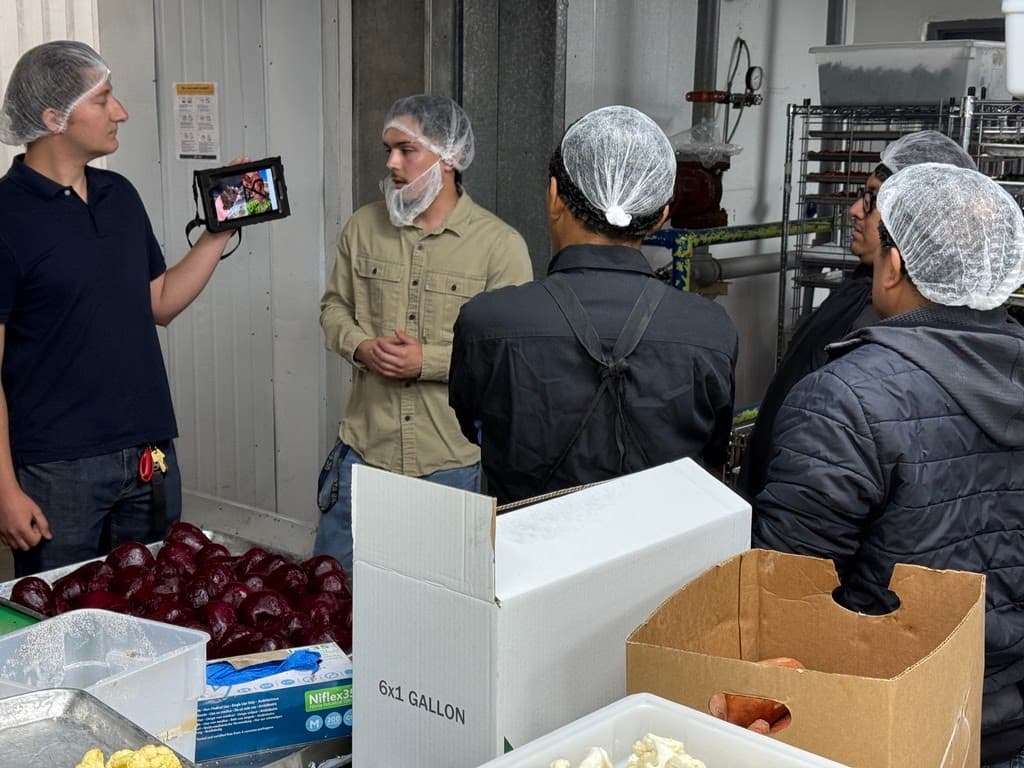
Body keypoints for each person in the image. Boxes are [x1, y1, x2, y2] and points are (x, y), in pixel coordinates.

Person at [751, 163, 1024, 766]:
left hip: (880, 725)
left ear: (895, 264)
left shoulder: (845, 397)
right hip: (1004, 726)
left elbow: (789, 591)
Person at [0, 41, 241, 575]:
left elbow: (159, 302)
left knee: (152, 615)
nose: (121, 112)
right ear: (53, 117)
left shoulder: (120, 195)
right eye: (103, 99)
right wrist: (5, 489)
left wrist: (216, 235)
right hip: (56, 470)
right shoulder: (5, 216)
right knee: (61, 629)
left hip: (149, 456)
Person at [449, 105, 737, 505]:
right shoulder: (711, 330)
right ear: (660, 217)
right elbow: (713, 453)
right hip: (667, 560)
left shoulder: (485, 323)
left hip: (531, 561)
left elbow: (474, 429)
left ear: (553, 197)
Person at [316, 94, 531, 569]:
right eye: (387, 149)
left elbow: (511, 358)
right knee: (333, 601)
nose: (392, 162)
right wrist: (360, 347)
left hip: (448, 468)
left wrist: (428, 363)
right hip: (363, 459)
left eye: (406, 149)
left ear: (449, 157)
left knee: (443, 611)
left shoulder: (500, 247)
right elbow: (333, 307)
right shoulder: (363, 227)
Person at [738, 130, 976, 501]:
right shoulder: (859, 289)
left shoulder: (891, 319)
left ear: (913, 218)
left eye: (873, 199)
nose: (854, 210)